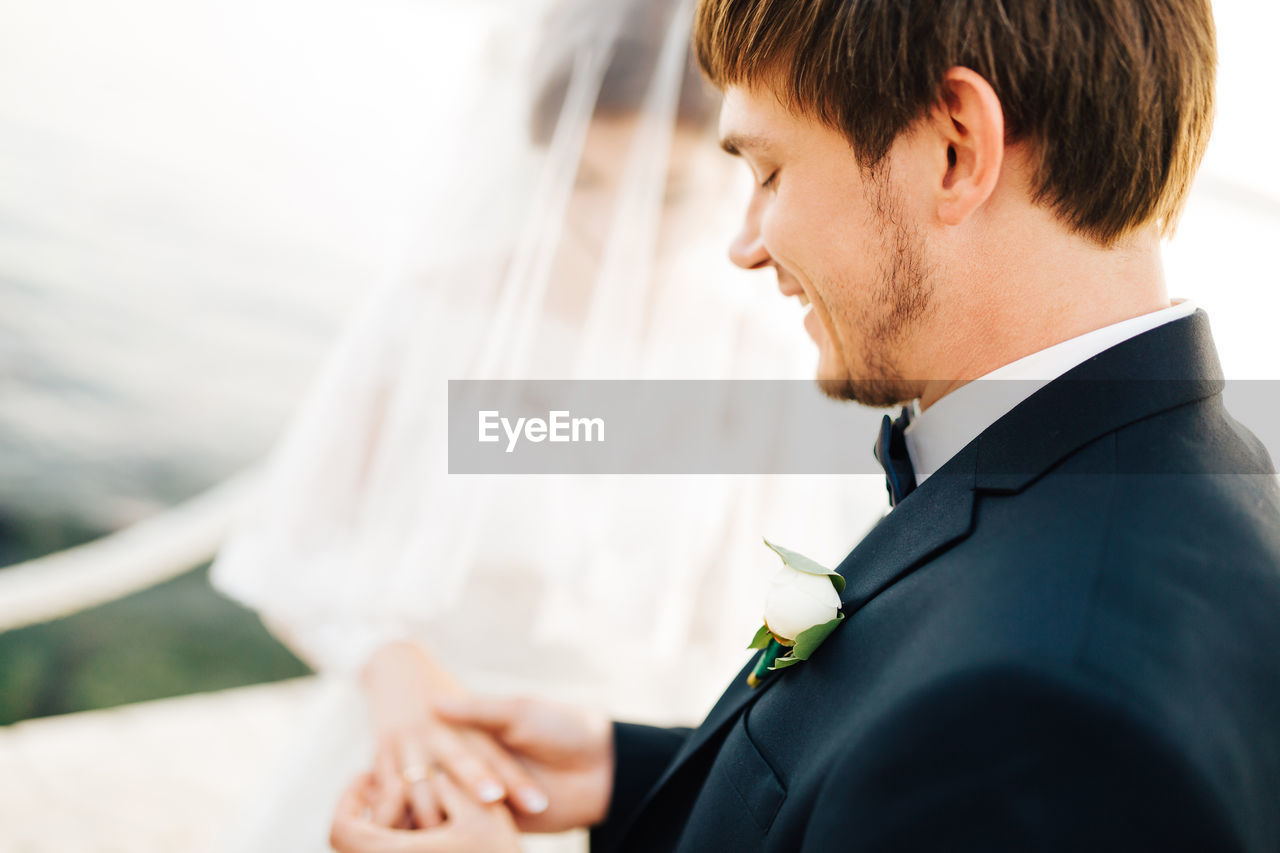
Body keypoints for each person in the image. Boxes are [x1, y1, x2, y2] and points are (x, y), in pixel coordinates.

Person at [328, 0, 1280, 850]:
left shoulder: (1049, 714)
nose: (744, 245)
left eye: (770, 169)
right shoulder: (1173, 482)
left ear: (955, 147)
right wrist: (632, 774)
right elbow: (885, 767)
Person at [210, 0, 881, 849]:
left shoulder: (763, 359)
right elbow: (292, 542)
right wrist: (389, 666)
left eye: (668, 191)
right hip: (402, 750)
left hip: (616, 777)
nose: (618, 225)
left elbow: (783, 625)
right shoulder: (434, 308)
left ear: (735, 168)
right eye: (586, 180)